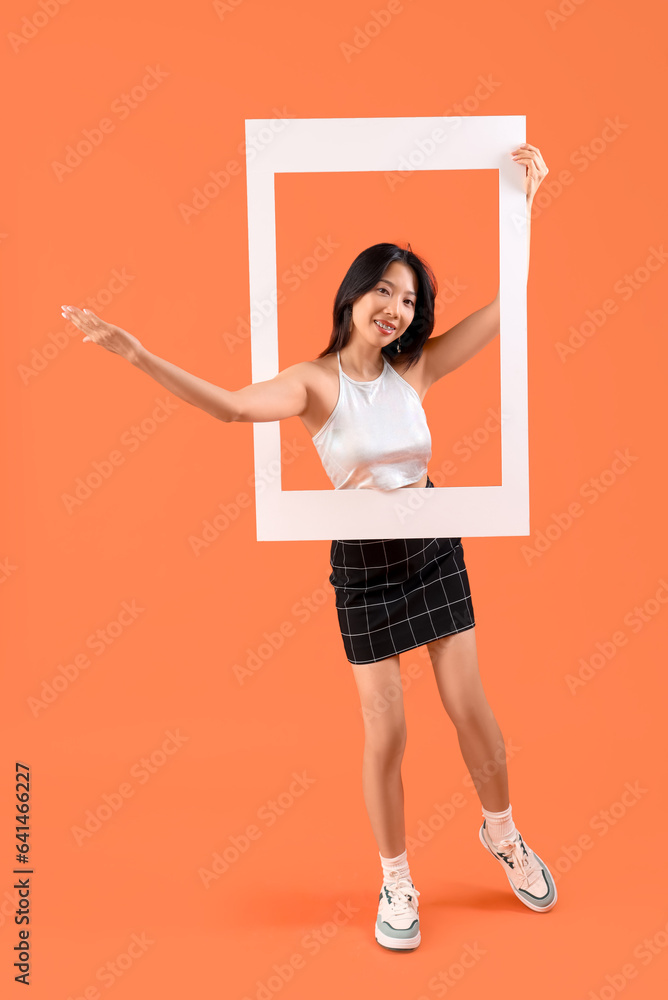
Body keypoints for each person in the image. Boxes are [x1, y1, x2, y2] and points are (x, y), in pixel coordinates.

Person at [61, 141, 555, 953]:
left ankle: (502, 834)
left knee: (472, 712)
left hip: (431, 541)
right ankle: (397, 880)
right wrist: (139, 355)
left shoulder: (416, 369)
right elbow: (227, 408)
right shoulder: (312, 382)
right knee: (387, 734)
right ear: (354, 293)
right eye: (384, 291)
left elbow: (509, 311)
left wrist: (525, 203)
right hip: (363, 565)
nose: (396, 308)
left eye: (409, 299)